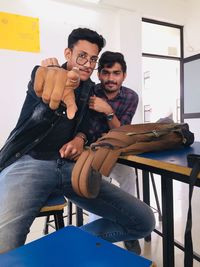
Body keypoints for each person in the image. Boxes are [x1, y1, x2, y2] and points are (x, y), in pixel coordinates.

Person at [0, 28, 155, 254]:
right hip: (31, 162)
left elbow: (85, 125)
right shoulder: (46, 75)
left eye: (92, 59)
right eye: (82, 56)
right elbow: (43, 89)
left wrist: (81, 138)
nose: (87, 64)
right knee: (5, 247)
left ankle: (62, 246)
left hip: (74, 166)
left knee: (144, 221)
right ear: (68, 53)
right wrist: (52, 73)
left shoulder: (90, 89)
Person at [42, 51, 141, 254]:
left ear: (124, 75)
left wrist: (108, 111)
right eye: (106, 72)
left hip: (115, 150)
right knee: (93, 184)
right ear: (99, 74)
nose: (111, 78)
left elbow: (121, 131)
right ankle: (98, 242)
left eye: (116, 73)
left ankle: (129, 231)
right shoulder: (89, 91)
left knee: (129, 176)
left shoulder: (131, 96)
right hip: (88, 151)